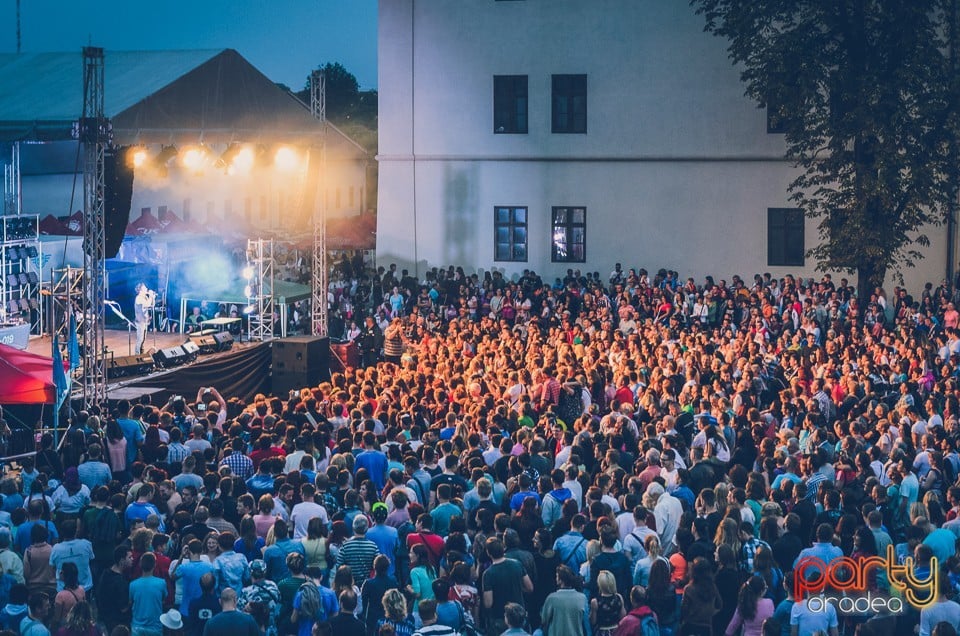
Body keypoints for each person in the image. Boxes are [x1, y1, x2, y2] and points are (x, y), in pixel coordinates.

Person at [129, 553, 167, 636]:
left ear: (140, 565)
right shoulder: (161, 583)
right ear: (155, 565)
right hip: (155, 627)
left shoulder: (133, 585)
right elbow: (164, 599)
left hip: (137, 626)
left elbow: (130, 601)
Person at [134, 283, 156, 355]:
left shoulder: (145, 297)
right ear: (140, 290)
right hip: (140, 321)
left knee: (143, 339)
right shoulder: (139, 298)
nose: (146, 289)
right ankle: (137, 355)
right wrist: (150, 296)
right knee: (140, 339)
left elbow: (152, 305)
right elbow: (147, 304)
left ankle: (142, 354)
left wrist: (152, 297)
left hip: (145, 321)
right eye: (145, 288)